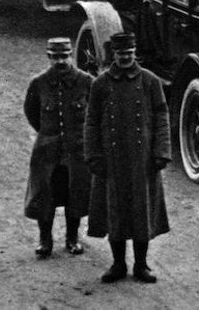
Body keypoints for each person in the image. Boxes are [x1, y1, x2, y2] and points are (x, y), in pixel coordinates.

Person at [85, 32, 170, 284]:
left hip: (142, 160)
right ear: (114, 54)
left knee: (142, 210)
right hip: (112, 160)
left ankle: (141, 265)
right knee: (115, 210)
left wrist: (161, 152)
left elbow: (162, 117)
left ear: (135, 53)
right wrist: (93, 155)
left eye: (130, 53)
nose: (125, 58)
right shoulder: (100, 84)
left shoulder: (150, 81)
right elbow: (91, 121)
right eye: (121, 53)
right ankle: (118, 264)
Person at [24, 37, 92, 259]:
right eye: (55, 57)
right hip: (47, 153)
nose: (60, 61)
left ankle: (72, 239)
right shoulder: (38, 83)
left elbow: (95, 114)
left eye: (64, 56)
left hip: (76, 152)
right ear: (48, 57)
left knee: (76, 194)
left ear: (71, 55)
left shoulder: (85, 81)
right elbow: (31, 112)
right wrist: (48, 133)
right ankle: (45, 241)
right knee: (45, 195)